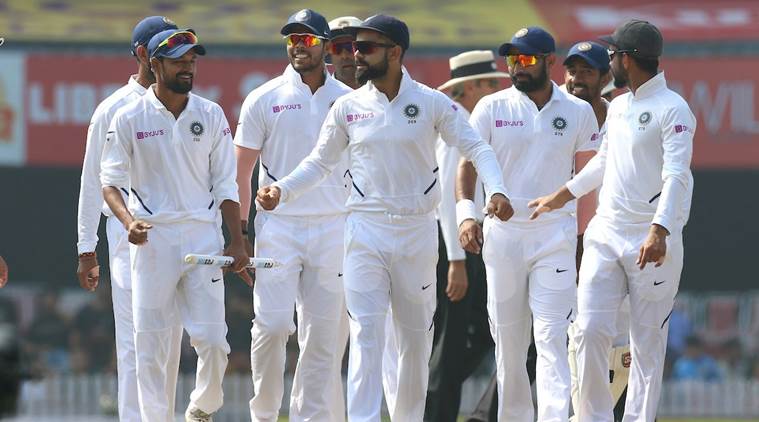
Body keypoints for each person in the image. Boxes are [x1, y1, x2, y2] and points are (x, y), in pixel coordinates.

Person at [255, 14, 511, 421]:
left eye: (367, 47)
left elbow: (477, 148)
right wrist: (281, 189)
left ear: (395, 52)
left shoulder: (430, 103)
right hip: (364, 232)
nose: (356, 54)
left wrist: (495, 190)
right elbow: (319, 163)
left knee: (414, 345)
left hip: (416, 233)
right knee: (366, 335)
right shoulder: (348, 106)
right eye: (354, 47)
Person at [529, 19, 695, 422]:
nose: (608, 63)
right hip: (606, 232)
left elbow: (677, 174)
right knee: (586, 331)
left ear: (628, 59)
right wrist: (562, 194)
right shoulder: (618, 105)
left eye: (612, 55)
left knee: (646, 345)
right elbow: (604, 162)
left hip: (651, 239)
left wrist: (660, 229)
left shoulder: (674, 109)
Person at [100, 28, 249, 421]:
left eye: (192, 60)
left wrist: (237, 242)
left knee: (213, 341)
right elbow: (110, 183)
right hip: (152, 239)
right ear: (154, 63)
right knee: (149, 345)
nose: (188, 67)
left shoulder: (211, 113)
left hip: (202, 234)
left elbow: (225, 184)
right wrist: (129, 222)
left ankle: (203, 405)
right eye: (179, 60)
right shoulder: (129, 116)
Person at [457, 27, 599, 421]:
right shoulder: (492, 106)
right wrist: (467, 215)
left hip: (554, 235)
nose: (518, 67)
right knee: (508, 343)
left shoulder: (577, 111)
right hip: (503, 237)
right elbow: (466, 165)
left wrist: (583, 239)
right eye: (513, 59)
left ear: (549, 61)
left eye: (527, 59)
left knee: (552, 337)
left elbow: (587, 182)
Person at [234, 8, 352, 421]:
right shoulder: (264, 98)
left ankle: (309, 417)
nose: (298, 47)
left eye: (307, 40)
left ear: (325, 46)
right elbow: (241, 171)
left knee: (321, 338)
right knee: (272, 326)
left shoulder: (347, 101)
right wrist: (240, 231)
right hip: (278, 228)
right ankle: (264, 414)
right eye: (292, 40)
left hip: (334, 226)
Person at [75, 16, 184, 421]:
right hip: (126, 234)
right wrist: (87, 248)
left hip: (176, 232)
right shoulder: (113, 109)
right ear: (143, 53)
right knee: (136, 338)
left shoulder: (187, 104)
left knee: (170, 338)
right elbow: (92, 182)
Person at [423, 50, 506, 422]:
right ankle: (434, 406)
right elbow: (445, 195)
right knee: (451, 339)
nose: (494, 90)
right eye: (488, 84)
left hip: (472, 243)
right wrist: (456, 260)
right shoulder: (453, 124)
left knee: (488, 332)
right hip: (453, 243)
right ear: (465, 88)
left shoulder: (473, 122)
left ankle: (433, 387)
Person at [561, 41, 632, 422]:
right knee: (575, 339)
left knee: (623, 341)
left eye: (587, 71)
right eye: (572, 71)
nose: (576, 80)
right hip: (562, 246)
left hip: (616, 241)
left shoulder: (623, 115)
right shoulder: (556, 115)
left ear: (606, 77)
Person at [328, 16, 363, 89]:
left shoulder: (386, 91)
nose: (344, 56)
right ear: (328, 52)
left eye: (351, 47)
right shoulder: (319, 96)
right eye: (337, 48)